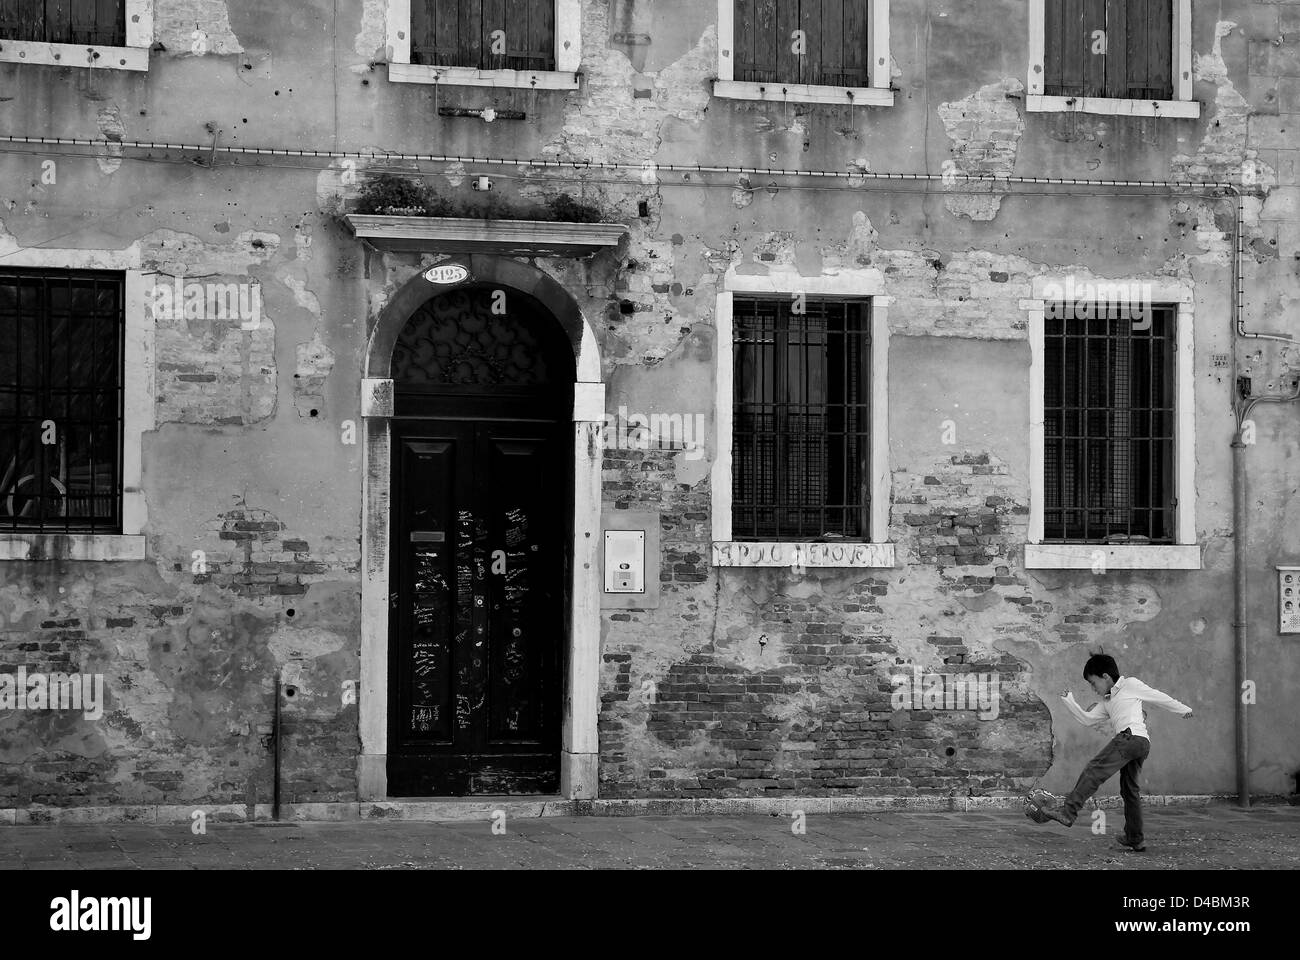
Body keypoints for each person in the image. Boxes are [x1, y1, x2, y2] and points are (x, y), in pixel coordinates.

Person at [1027, 654, 1193, 852]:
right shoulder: (1107, 702)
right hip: (1139, 745)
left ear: (1105, 676)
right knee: (1130, 791)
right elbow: (1087, 719)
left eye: (1093, 682)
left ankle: (1068, 812)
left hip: (1130, 738)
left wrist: (1183, 709)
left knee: (1093, 770)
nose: (1093, 688)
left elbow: (1158, 696)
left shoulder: (1130, 684)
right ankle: (1135, 837)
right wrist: (1069, 701)